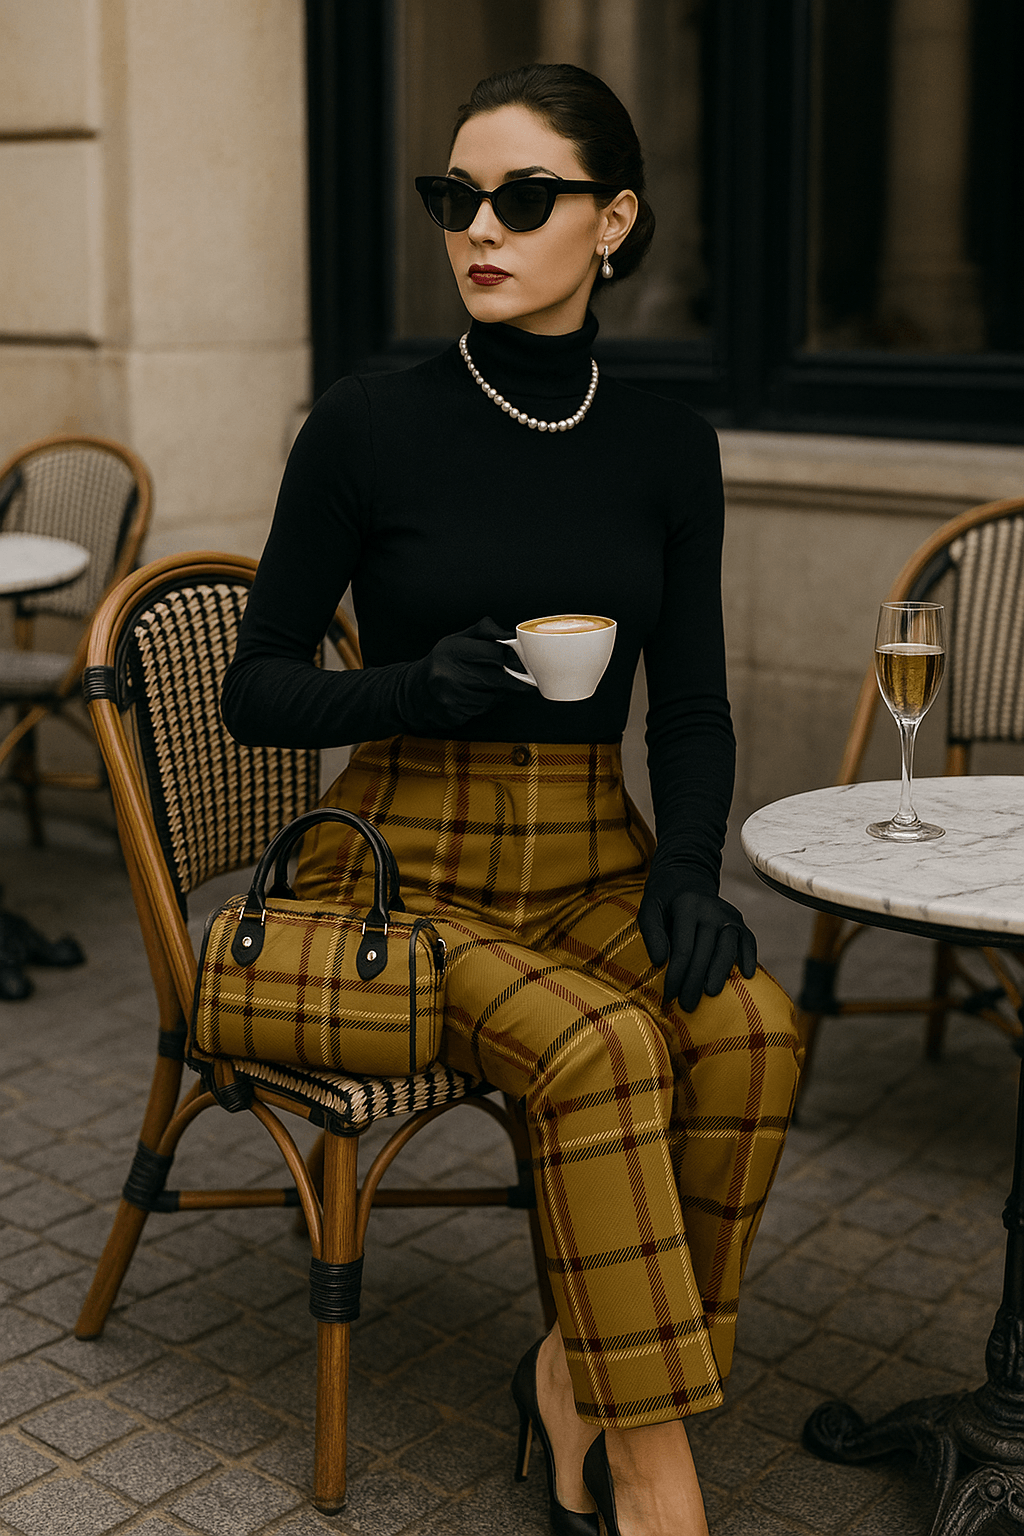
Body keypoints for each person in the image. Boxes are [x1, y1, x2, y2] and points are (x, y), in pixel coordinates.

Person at [222, 61, 801, 1536]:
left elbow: (695, 700)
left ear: (613, 221)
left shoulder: (668, 443)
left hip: (591, 860)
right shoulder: (367, 423)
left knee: (747, 1026)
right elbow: (260, 684)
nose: (479, 226)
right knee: (607, 1044)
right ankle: (656, 1477)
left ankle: (579, 1376)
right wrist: (413, 689)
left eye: (522, 198)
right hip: (405, 868)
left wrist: (686, 870)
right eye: (454, 197)